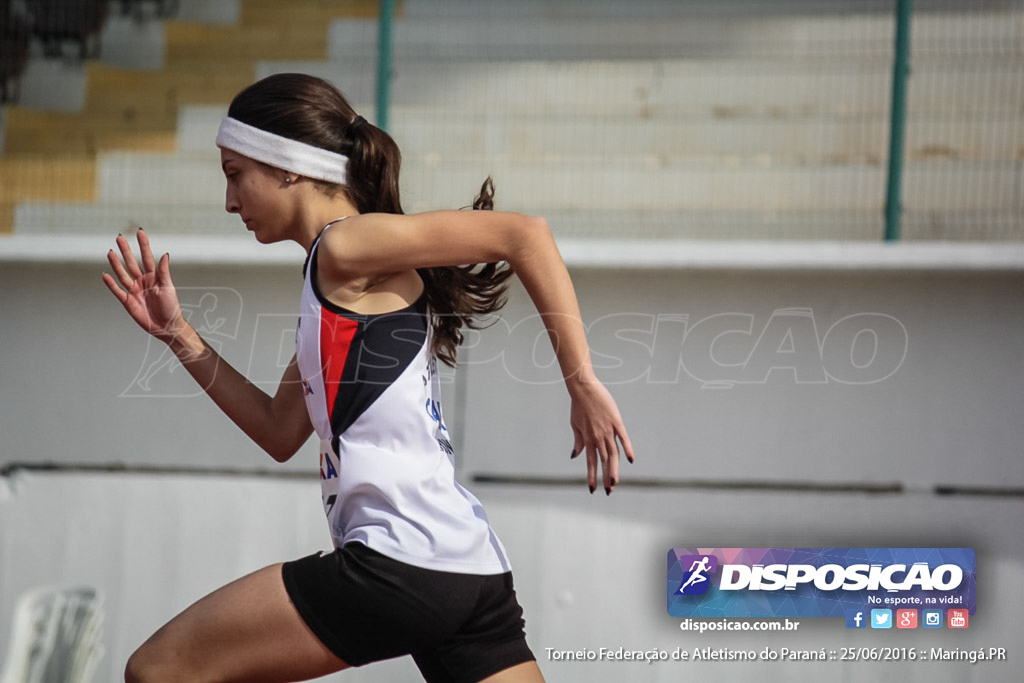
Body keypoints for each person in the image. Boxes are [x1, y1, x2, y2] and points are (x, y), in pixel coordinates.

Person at [104, 72, 634, 683]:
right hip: (468, 569)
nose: (229, 200)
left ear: (288, 166)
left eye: (233, 173)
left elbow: (525, 235)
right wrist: (179, 336)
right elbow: (279, 432)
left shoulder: (343, 246)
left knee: (161, 667)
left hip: (397, 564)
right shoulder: (335, 285)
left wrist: (582, 382)